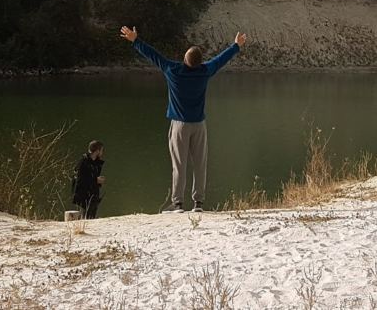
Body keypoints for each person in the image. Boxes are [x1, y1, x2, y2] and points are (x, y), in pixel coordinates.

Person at [120, 25, 248, 213]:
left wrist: (135, 40)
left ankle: (178, 204)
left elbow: (154, 56)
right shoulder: (205, 71)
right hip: (199, 125)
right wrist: (236, 46)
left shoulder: (172, 70)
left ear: (184, 59)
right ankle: (198, 204)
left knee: (179, 165)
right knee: (200, 165)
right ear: (199, 62)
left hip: (179, 125)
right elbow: (220, 60)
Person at [72, 140, 106, 219]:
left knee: (91, 216)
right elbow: (79, 180)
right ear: (97, 151)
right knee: (86, 217)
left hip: (93, 195)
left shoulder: (96, 163)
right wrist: (96, 180)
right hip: (84, 196)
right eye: (101, 150)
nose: (102, 153)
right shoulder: (83, 162)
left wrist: (98, 181)